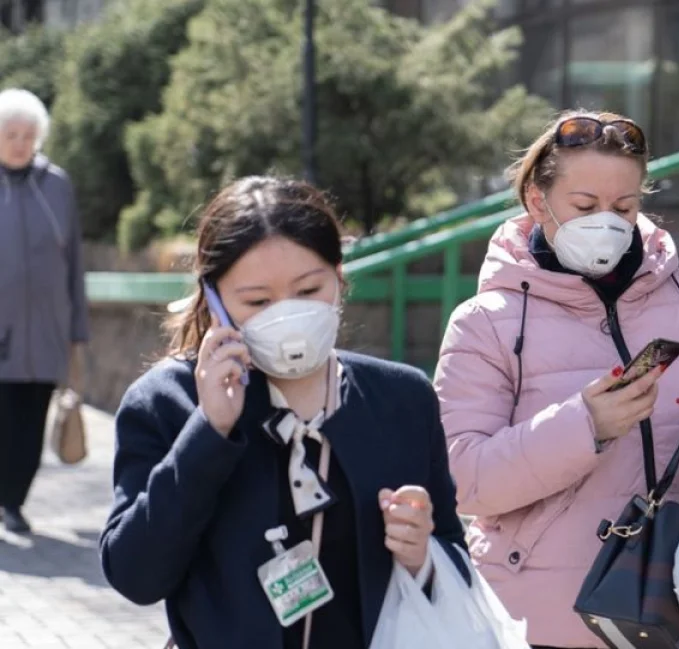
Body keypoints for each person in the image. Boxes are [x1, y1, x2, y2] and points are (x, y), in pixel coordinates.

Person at [434, 111, 679, 649]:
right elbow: (462, 479)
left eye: (624, 207)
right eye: (585, 206)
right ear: (537, 200)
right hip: (545, 622)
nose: (608, 222)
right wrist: (584, 427)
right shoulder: (484, 321)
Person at [99, 177, 469, 649]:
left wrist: (423, 557)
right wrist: (209, 432)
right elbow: (136, 576)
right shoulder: (167, 400)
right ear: (213, 300)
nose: (288, 315)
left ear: (338, 275)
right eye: (257, 301)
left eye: (309, 289)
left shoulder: (401, 398)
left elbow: (456, 556)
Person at [0, 87, 88, 534]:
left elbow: (73, 260)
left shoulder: (56, 185)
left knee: (30, 423)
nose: (19, 142)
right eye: (10, 134)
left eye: (27, 135)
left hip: (47, 334)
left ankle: (13, 501)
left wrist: (77, 327)